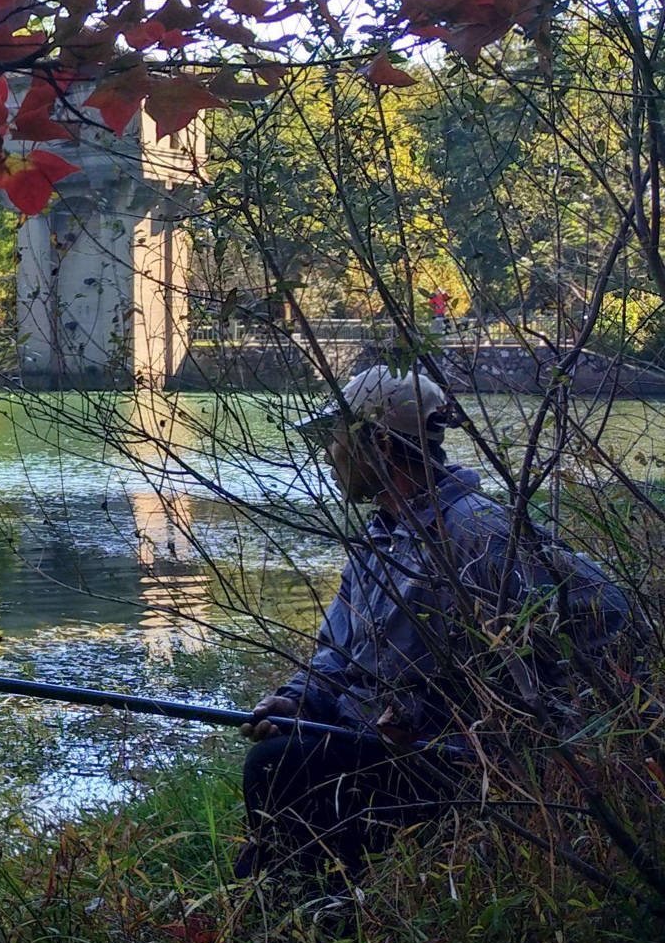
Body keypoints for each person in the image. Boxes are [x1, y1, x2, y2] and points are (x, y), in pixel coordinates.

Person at [237, 365, 629, 879]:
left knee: (278, 763)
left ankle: (322, 914)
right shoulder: (379, 537)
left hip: (457, 762)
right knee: (282, 753)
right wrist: (297, 699)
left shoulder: (481, 533)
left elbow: (608, 610)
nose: (329, 457)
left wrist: (512, 731)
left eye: (335, 441)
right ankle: (306, 905)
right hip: (377, 745)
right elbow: (337, 653)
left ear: (377, 443)